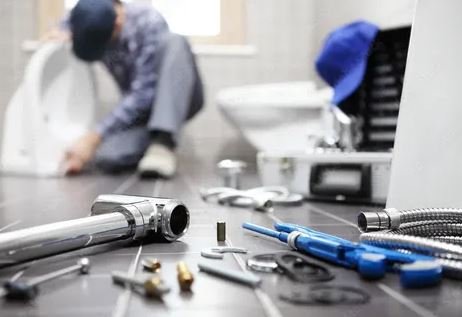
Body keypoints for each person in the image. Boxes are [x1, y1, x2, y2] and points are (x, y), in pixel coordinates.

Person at [60, 0, 204, 178]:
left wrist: (94, 137)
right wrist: (61, 31)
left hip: (179, 94)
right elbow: (71, 19)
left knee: (175, 41)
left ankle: (163, 142)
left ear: (118, 23)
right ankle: (152, 141)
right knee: (108, 156)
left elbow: (143, 94)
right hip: (142, 113)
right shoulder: (89, 16)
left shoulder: (148, 21)